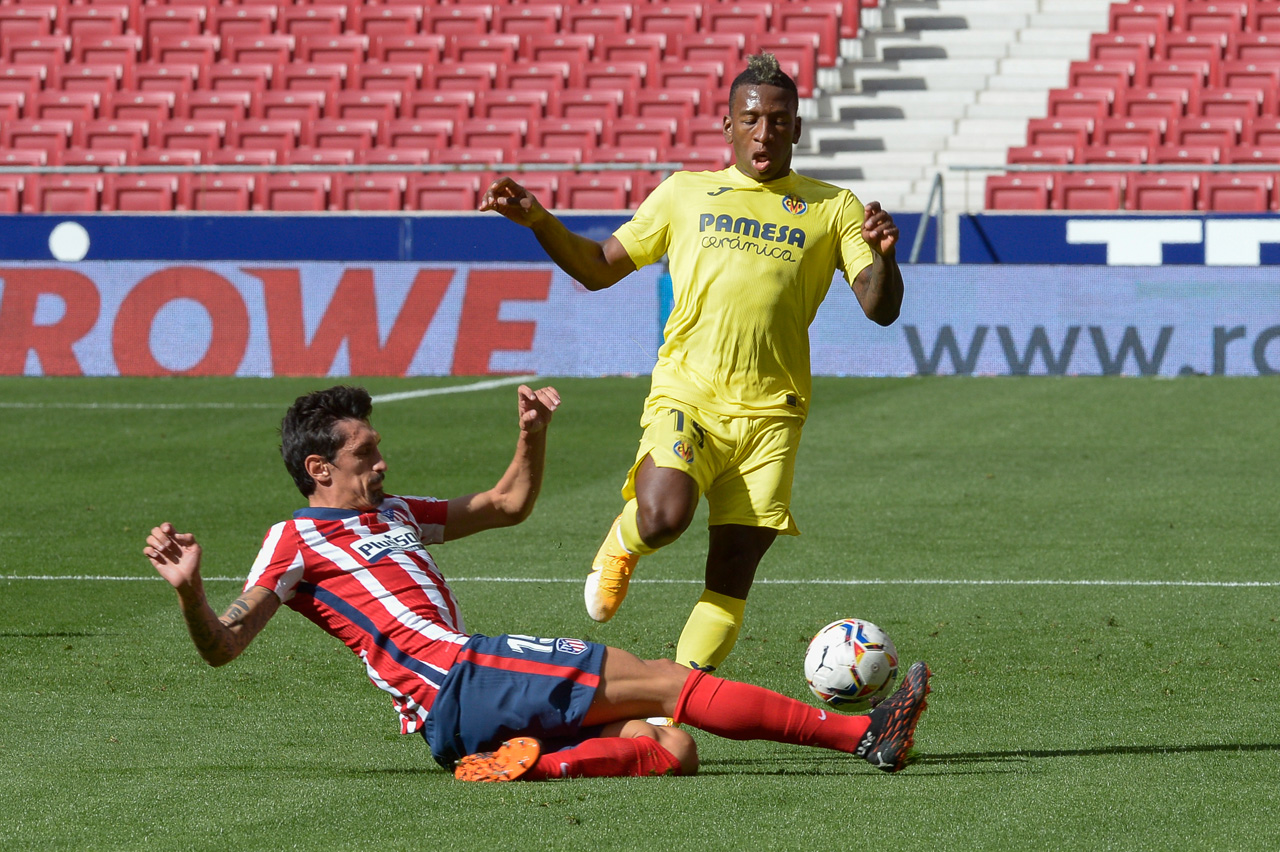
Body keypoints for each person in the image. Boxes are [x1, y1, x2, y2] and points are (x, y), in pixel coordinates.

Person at [145, 384, 930, 781]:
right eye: (365, 455)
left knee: (673, 748)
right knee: (664, 679)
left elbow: (506, 504)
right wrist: (189, 591)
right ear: (319, 468)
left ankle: (527, 761)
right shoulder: (293, 540)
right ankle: (864, 735)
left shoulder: (396, 512)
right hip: (461, 677)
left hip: (459, 712)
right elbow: (224, 645)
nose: (381, 463)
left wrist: (532, 434)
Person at [480, 53, 906, 674]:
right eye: (751, 119)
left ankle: (670, 707)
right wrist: (539, 221)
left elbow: (879, 308)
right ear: (728, 126)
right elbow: (598, 268)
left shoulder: (833, 207)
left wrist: (884, 256)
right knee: (663, 517)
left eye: (779, 121)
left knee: (731, 575)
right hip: (691, 395)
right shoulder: (684, 192)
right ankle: (623, 542)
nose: (765, 132)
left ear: (796, 128)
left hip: (773, 416)